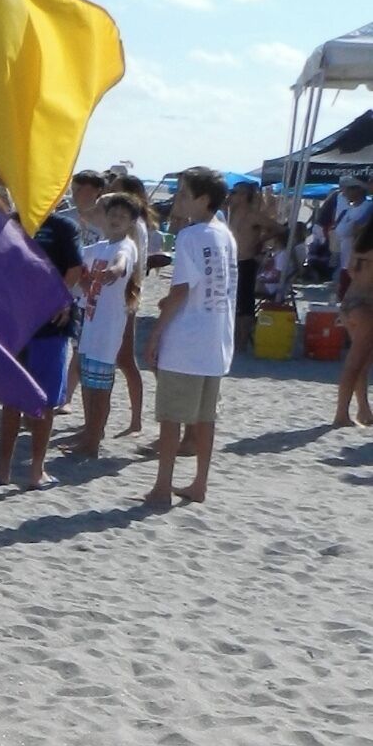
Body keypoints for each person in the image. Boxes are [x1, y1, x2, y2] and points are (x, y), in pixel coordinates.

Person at [143, 166, 237, 509]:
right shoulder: (225, 234)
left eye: (184, 194)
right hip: (216, 339)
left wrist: (156, 333)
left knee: (171, 418)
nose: (177, 200)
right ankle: (199, 483)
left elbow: (182, 289)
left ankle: (162, 486)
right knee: (204, 418)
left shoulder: (191, 235)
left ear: (203, 199)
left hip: (188, 339)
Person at [0, 185, 82, 488]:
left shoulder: (62, 226)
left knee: (45, 400)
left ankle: (37, 470)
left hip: (51, 324)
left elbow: (75, 268)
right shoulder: (11, 223)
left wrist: (60, 299)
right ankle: (2, 468)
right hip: (15, 323)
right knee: (11, 397)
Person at [59, 194, 138, 458]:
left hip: (108, 328)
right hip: (91, 323)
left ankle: (93, 441)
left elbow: (121, 263)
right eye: (113, 214)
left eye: (123, 217)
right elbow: (78, 260)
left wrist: (112, 272)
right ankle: (89, 433)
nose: (116, 220)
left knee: (100, 387)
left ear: (131, 222)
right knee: (88, 382)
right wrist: (82, 278)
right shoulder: (101, 246)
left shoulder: (125, 246)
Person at [333, 219, 373, 427]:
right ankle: (341, 414)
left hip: (350, 302)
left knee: (362, 361)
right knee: (356, 362)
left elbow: (350, 271)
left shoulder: (360, 245)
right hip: (366, 307)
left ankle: (363, 409)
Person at [227, 180, 275, 355]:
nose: (231, 196)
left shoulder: (253, 215)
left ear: (243, 196)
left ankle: (242, 342)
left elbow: (278, 228)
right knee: (232, 302)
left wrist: (259, 241)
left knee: (245, 304)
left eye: (234, 192)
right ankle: (233, 339)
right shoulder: (230, 213)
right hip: (231, 262)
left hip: (246, 261)